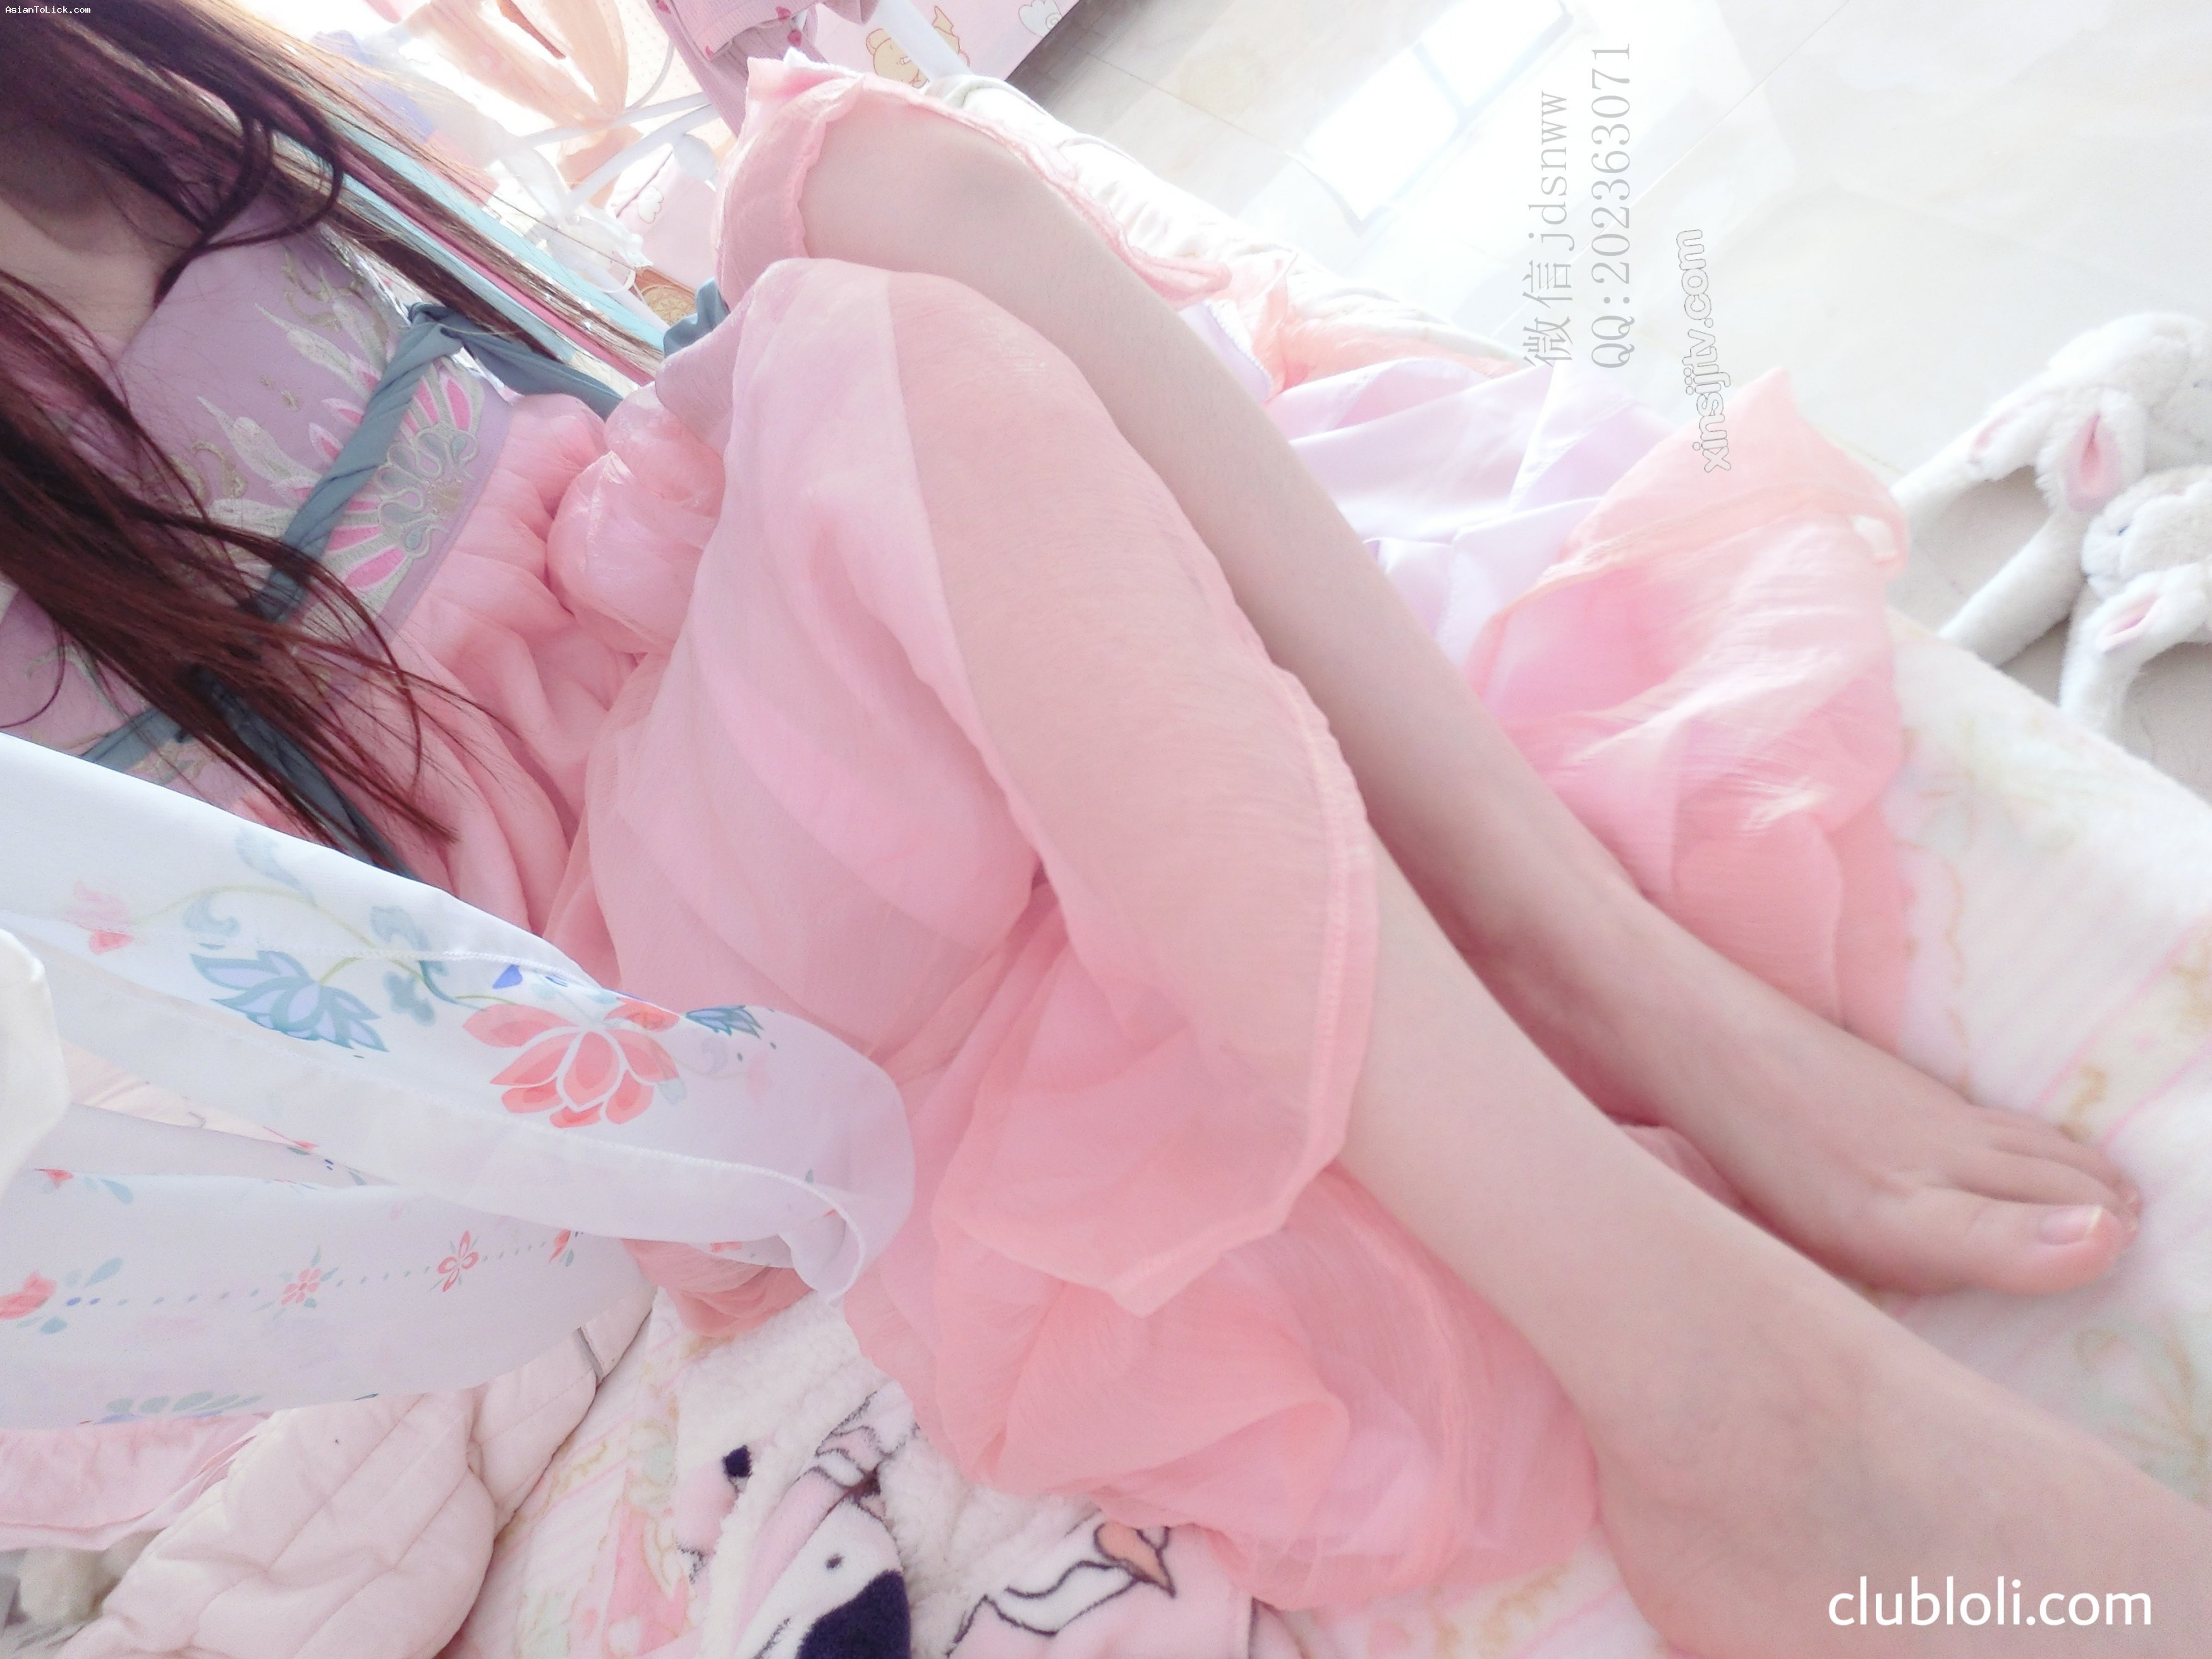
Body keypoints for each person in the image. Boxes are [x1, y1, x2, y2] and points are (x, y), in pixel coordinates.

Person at [0, 3, 2203, 1653]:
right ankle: (1713, 1376)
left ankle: (1590, 952)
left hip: (671, 598)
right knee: (893, 378)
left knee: (884, 178)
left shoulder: (92, 55)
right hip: (601, 942)